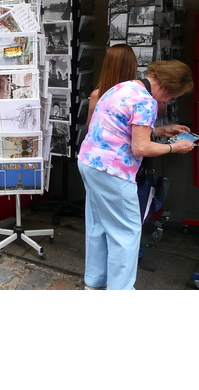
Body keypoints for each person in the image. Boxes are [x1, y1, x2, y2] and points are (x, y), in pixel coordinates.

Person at [78, 59, 195, 290]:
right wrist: (175, 147)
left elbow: (120, 126)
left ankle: (95, 281)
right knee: (126, 232)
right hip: (114, 170)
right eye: (173, 96)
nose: (169, 101)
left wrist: (160, 130)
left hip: (90, 162)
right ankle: (120, 292)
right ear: (168, 87)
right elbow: (140, 148)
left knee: (98, 225)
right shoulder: (146, 102)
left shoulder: (123, 87)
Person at [86, 43, 138, 127]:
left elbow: (90, 125)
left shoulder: (97, 94)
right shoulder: (137, 95)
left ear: (107, 65)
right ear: (132, 66)